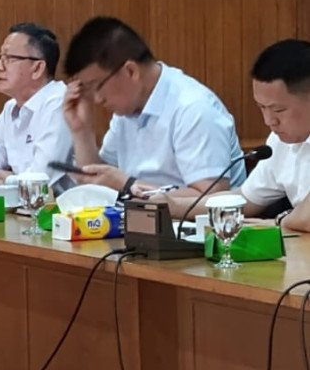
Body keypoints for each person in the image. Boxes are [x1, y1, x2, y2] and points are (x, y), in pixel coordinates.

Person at [61, 16, 245, 198]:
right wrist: (81, 131)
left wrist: (128, 184)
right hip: (139, 216)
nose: (97, 99)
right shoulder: (127, 112)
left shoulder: (193, 108)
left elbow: (211, 197)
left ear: (131, 71)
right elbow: (98, 184)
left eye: (97, 86)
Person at [167, 39, 310, 231]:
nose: (269, 121)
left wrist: (279, 222)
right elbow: (246, 199)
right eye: (262, 107)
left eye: (278, 110)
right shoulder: (279, 142)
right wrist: (171, 206)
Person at [0, 23, 72, 194]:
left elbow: (39, 181)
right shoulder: (10, 109)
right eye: (0, 57)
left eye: (9, 58)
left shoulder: (61, 105)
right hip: (22, 208)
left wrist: (7, 180)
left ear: (37, 68)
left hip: (68, 209)